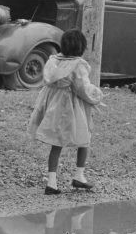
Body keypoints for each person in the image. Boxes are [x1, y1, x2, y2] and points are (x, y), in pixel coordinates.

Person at [28, 29, 104, 195]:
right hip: (71, 106)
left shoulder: (52, 61)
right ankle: (79, 175)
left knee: (57, 143)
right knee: (85, 138)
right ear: (81, 48)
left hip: (53, 105)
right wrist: (96, 96)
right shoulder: (78, 65)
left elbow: (48, 81)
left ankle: (52, 182)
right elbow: (81, 88)